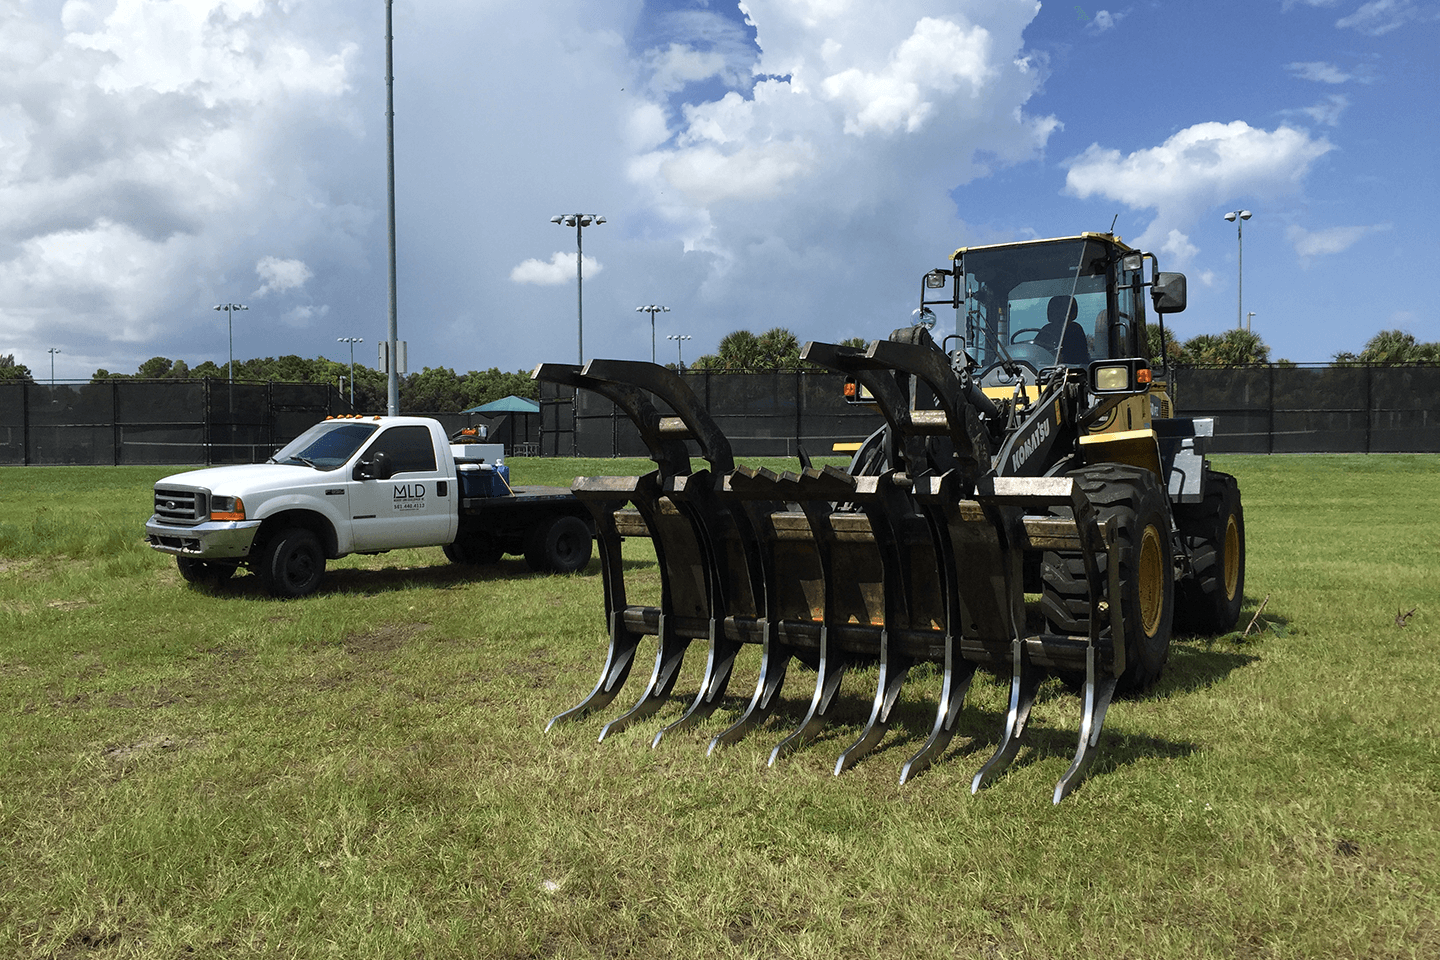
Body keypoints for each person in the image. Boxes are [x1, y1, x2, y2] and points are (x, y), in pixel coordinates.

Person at [1035, 296, 1089, 365]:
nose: (1058, 313)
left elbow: (1079, 356)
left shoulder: (1075, 329)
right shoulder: (1046, 329)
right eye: (1054, 310)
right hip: (1044, 369)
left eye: (1061, 310)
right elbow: (1037, 350)